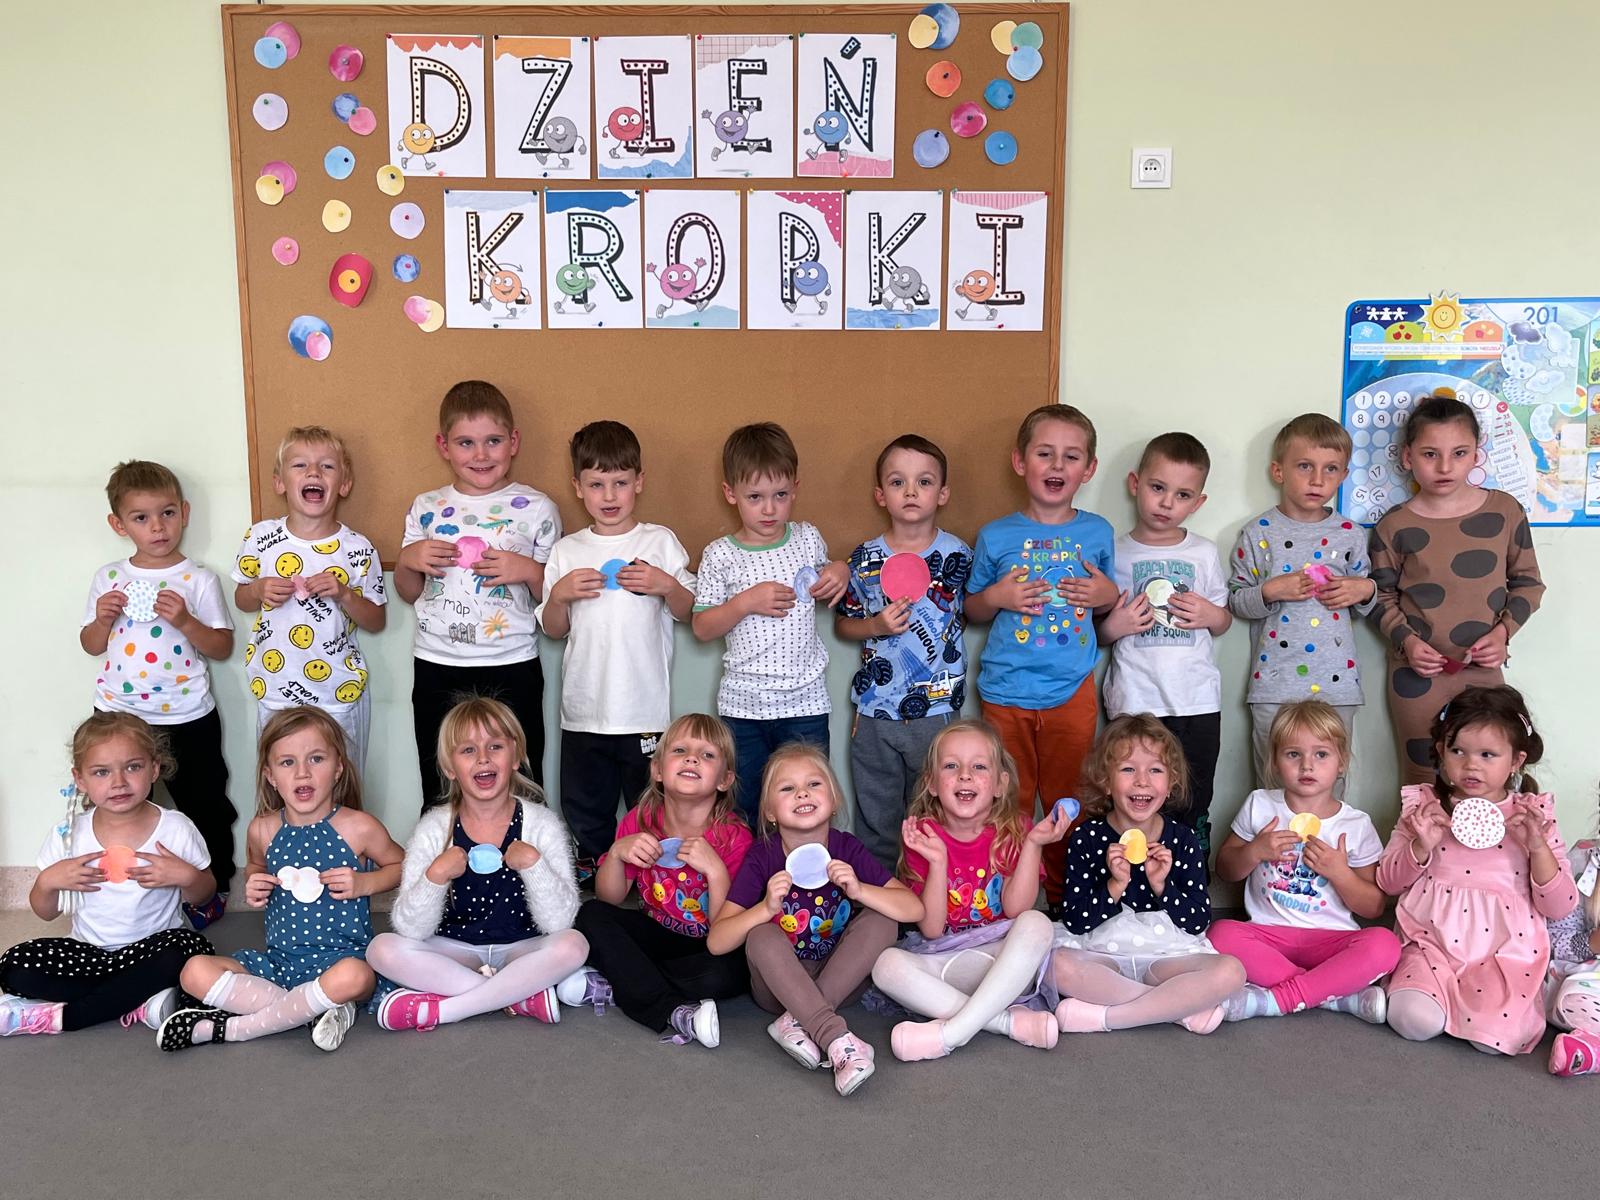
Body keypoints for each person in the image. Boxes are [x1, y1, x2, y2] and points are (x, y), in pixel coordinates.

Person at [157, 708, 403, 1051]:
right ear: (270, 776)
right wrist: (255, 882)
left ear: (338, 768)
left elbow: (402, 865)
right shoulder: (263, 829)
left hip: (343, 960)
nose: (303, 772)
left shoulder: (359, 827)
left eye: (316, 759)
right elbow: (256, 866)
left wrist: (365, 883)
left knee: (357, 976)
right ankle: (311, 1009)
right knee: (193, 971)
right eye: (287, 762)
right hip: (280, 963)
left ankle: (235, 1028)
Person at [966, 404, 1118, 914]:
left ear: (1088, 469)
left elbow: (1108, 603)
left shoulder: (1097, 532)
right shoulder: (995, 535)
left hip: (1071, 691)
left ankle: (1065, 898)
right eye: (1044, 453)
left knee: (1068, 801)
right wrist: (997, 597)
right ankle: (1007, 901)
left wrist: (1107, 594)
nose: (1057, 465)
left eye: (1071, 456)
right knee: (1006, 801)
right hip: (1005, 691)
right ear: (1020, 461)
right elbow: (971, 608)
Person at [708, 744, 921, 1096]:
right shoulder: (763, 856)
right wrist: (765, 909)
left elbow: (913, 909)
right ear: (770, 811)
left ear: (833, 800)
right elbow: (717, 942)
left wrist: (860, 890)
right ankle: (834, 1038)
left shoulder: (846, 848)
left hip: (841, 979)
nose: (802, 793)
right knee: (760, 935)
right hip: (779, 989)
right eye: (787, 788)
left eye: (813, 784)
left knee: (884, 920)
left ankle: (798, 1021)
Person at [366, 698, 587, 1032]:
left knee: (574, 945)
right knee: (381, 949)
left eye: (495, 746)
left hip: (521, 948)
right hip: (455, 949)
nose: (483, 757)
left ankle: (447, 1009)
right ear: (450, 768)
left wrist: (535, 866)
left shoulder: (542, 823)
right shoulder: (434, 827)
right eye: (468, 750)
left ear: (516, 757)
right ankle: (517, 996)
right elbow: (410, 929)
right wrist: (435, 877)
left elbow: (559, 922)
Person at [536, 420, 695, 882]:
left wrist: (665, 585)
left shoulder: (659, 542)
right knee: (585, 806)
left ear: (639, 481)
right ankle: (594, 878)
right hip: (584, 712)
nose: (609, 495)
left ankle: (654, 882)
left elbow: (690, 612)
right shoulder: (566, 551)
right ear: (577, 487)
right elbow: (553, 629)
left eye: (620, 483)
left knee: (653, 807)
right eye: (596, 484)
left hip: (645, 713)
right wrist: (559, 596)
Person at [1377, 685, 1575, 1054]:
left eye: (1488, 754)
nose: (1471, 765)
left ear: (1515, 760)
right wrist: (1421, 845)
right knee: (1412, 1020)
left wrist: (1538, 848)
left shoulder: (1533, 817)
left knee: (1493, 1042)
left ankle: (1486, 1011)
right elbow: (1387, 882)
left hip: (1503, 953)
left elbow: (1560, 906)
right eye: (1458, 751)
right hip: (1431, 943)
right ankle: (1426, 995)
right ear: (1441, 751)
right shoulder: (1423, 808)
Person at [80, 460, 236, 924]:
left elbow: (222, 646)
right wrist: (102, 619)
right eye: (141, 517)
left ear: (184, 513)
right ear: (119, 525)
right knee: (115, 801)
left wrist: (185, 620)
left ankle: (213, 886)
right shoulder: (109, 578)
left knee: (205, 803)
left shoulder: (199, 579)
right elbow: (91, 645)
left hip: (187, 714)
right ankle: (113, 884)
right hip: (118, 715)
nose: (157, 527)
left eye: (167, 513)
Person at [397, 381, 561, 807]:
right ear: (444, 446)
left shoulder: (538, 508)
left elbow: (554, 601)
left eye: (493, 441)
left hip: (511, 662)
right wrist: (409, 560)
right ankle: (442, 846)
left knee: (521, 777)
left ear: (514, 442)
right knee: (441, 779)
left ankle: (526, 845)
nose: (481, 454)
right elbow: (408, 592)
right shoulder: (426, 507)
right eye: (466, 442)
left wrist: (527, 570)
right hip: (438, 663)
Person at [1369, 389, 1545, 784]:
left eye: (1459, 453)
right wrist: (1408, 643)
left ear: (1477, 454)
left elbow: (1528, 583)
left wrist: (1503, 633)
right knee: (1422, 776)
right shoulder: (1394, 525)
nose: (1445, 466)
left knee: (1486, 775)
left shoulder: (1505, 511)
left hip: (1483, 671)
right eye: (1430, 454)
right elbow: (1378, 596)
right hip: (1415, 673)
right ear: (1407, 457)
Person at [0, 713, 212, 1036]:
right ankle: (138, 1000)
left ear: (154, 769)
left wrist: (186, 877)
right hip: (89, 953)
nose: (118, 782)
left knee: (192, 952)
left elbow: (205, 894)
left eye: (133, 767)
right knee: (13, 966)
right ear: (80, 779)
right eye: (102, 772)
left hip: (153, 949)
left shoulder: (176, 828)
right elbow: (45, 913)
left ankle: (66, 1017)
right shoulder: (69, 834)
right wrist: (48, 882)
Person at [870, 719, 1066, 1060]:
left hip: (1003, 963)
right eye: (951, 766)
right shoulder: (925, 835)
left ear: (1000, 784)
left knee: (1037, 922)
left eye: (979, 766)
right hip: (946, 960)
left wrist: (1034, 843)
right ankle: (1004, 1022)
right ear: (931, 784)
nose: (965, 775)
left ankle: (952, 1034)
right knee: (886, 965)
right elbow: (932, 929)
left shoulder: (1016, 829)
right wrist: (938, 862)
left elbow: (1016, 910)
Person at [1051, 714, 1244, 1035]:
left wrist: (1162, 886)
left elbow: (1197, 922)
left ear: (1171, 783)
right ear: (1105, 781)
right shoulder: (1087, 837)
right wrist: (1115, 885)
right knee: (1056, 965)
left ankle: (1109, 1017)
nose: (1142, 781)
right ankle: (1176, 1009)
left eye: (1155, 770)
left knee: (1231, 971)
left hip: (1166, 957)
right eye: (1128, 769)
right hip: (1101, 953)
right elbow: (1075, 920)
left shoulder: (1182, 839)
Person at [692, 424, 848, 820]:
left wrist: (840, 570)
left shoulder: (807, 538)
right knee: (745, 807)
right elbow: (702, 627)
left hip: (805, 703)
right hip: (743, 707)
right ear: (730, 493)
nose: (769, 509)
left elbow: (827, 576)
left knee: (808, 805)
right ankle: (752, 862)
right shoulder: (720, 554)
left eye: (780, 495)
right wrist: (745, 602)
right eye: (755, 497)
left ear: (795, 489)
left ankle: (804, 861)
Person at [1209, 700, 1400, 1023]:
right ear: (1275, 761)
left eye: (1321, 754)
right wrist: (1254, 851)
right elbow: (1226, 870)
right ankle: (1335, 996)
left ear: (1341, 762)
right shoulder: (1260, 804)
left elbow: (1373, 907)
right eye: (1293, 754)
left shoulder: (1355, 824)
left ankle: (1278, 998)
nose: (1307, 765)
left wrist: (1340, 873)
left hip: (1331, 939)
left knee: (1385, 945)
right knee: (1220, 934)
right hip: (1268, 935)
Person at [571, 714, 752, 1045]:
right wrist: (616, 853)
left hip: (708, 944)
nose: (691, 759)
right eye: (680, 750)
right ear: (657, 770)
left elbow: (724, 931)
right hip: (656, 935)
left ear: (725, 780)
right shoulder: (639, 820)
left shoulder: (735, 837)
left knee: (727, 975)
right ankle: (668, 1006)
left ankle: (624, 981)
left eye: (707, 754)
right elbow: (609, 898)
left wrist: (715, 871)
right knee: (590, 914)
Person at [836, 434, 972, 870]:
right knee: (877, 817)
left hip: (937, 711)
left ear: (942, 493)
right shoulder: (864, 559)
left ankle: (929, 893)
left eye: (924, 482)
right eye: (898, 482)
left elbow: (976, 611)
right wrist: (875, 626)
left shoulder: (958, 555)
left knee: (934, 816)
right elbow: (844, 623)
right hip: (875, 711)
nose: (911, 492)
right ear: (881, 494)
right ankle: (877, 894)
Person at [1099, 432, 1230, 859]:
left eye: (1182, 495)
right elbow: (1096, 634)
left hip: (1196, 702)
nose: (1167, 502)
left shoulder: (1204, 552)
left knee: (1193, 799)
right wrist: (1113, 625)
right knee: (1131, 799)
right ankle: (1130, 878)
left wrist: (1211, 615)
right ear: (1135, 484)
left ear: (1198, 502)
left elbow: (1224, 620)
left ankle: (1190, 877)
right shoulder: (1112, 552)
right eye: (1158, 487)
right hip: (1134, 700)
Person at [1228, 413, 1376, 789]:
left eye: (1331, 469)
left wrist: (1364, 591)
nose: (1317, 480)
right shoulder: (1257, 533)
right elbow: (1236, 601)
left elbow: (1369, 599)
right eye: (1305, 466)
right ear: (1278, 471)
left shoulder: (1350, 534)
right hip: (1274, 685)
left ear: (1343, 476)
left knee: (1328, 788)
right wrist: (1269, 591)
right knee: (1274, 787)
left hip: (1336, 686)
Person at [233, 426, 386, 766]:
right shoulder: (260, 538)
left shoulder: (357, 548)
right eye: (300, 465)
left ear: (344, 485)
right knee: (280, 780)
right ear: (279, 483)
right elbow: (241, 599)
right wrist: (257, 589)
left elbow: (376, 620)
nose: (314, 472)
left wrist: (344, 594)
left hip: (337, 692)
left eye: (327, 466)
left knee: (342, 781)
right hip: (275, 689)